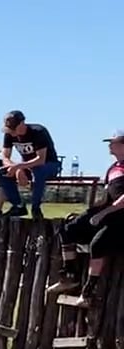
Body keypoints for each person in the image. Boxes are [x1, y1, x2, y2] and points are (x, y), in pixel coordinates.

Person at [45, 131, 124, 309]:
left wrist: (104, 213)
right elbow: (107, 195)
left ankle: (88, 292)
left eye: (114, 142)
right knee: (69, 229)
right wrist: (89, 212)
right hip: (110, 211)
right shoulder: (113, 167)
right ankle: (69, 276)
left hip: (120, 216)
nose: (110, 146)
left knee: (98, 245)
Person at [0, 111, 61, 220]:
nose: (12, 132)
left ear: (22, 123)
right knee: (1, 172)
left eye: (14, 128)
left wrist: (19, 167)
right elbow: (5, 157)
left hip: (49, 165)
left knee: (38, 171)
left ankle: (35, 208)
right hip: (26, 166)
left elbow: (41, 160)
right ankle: (18, 205)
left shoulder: (38, 132)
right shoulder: (9, 134)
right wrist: (16, 169)